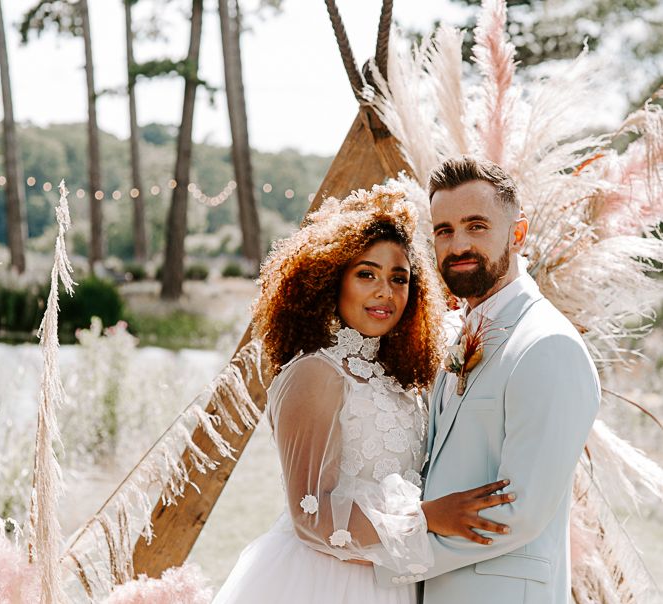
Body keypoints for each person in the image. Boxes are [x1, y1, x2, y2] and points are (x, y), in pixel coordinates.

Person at [213, 185, 513, 604]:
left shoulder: (400, 377)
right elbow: (309, 515)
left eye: (399, 278)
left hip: (392, 581)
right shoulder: (316, 373)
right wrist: (427, 518)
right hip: (322, 583)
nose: (384, 292)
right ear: (331, 279)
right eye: (366, 274)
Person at [373, 157, 601, 603]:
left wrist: (386, 552)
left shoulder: (547, 345)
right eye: (444, 230)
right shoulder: (457, 332)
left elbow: (518, 512)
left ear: (517, 233)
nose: (458, 245)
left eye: (476, 226)